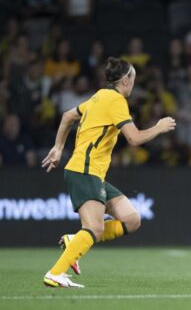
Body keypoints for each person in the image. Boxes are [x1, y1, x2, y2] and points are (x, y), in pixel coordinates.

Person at [41, 57, 176, 288]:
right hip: (85, 171)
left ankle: (74, 241)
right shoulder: (115, 100)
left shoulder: (99, 96)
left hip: (91, 172)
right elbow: (133, 138)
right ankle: (55, 273)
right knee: (94, 228)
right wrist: (158, 128)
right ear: (125, 80)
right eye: (133, 79)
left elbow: (67, 116)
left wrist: (58, 147)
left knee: (132, 220)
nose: (133, 84)